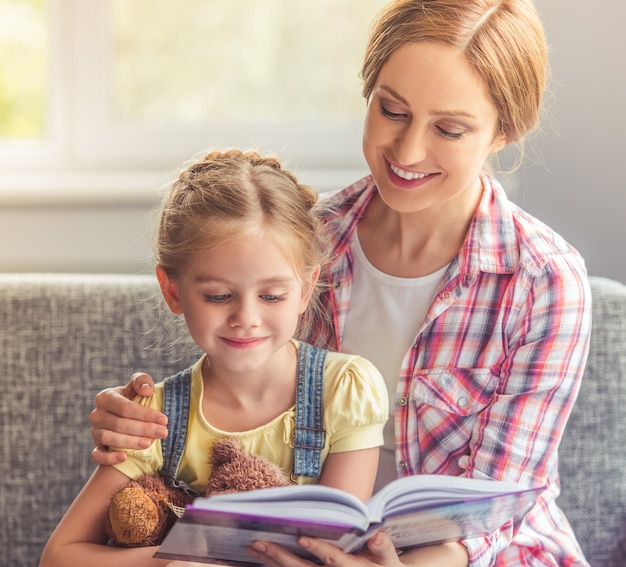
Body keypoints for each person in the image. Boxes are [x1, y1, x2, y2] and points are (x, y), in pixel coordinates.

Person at [88, 0, 593, 565]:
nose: (407, 152)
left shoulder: (544, 282)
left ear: (505, 131)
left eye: (449, 128)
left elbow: (494, 510)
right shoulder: (307, 241)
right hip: (304, 547)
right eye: (392, 110)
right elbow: (235, 389)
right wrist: (137, 416)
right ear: (368, 91)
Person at [39, 149, 389, 567]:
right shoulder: (153, 418)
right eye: (218, 296)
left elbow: (333, 547)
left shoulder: (345, 389)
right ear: (173, 291)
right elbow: (61, 556)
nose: (246, 318)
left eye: (271, 296)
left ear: (306, 289)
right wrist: (178, 561)